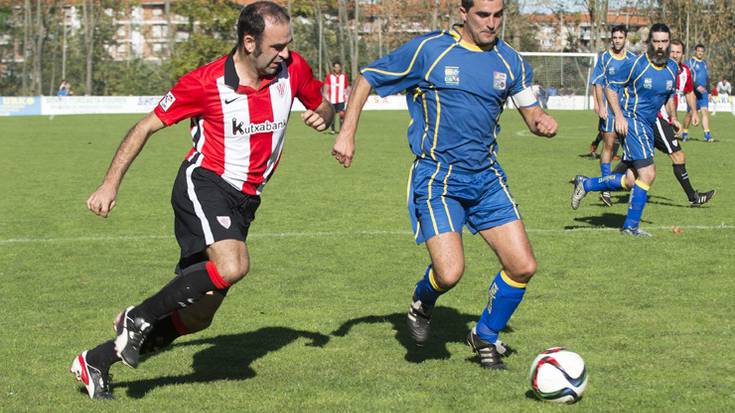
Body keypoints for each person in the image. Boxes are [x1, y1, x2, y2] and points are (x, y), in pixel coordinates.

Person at [70, 1, 334, 400]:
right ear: (249, 42)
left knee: (197, 315)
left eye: (288, 45)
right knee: (234, 265)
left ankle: (96, 361)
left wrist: (326, 116)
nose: (285, 55)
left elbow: (324, 105)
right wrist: (110, 184)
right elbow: (144, 127)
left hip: (246, 200)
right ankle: (135, 317)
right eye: (276, 47)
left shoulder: (292, 69)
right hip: (205, 183)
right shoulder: (205, 83)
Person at [332, 0, 557, 370]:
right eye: (483, 15)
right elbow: (368, 76)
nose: (492, 23)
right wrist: (347, 133)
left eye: (498, 15)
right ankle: (423, 300)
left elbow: (530, 111)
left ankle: (484, 335)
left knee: (523, 266)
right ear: (463, 12)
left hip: (486, 178)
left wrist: (541, 122)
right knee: (450, 273)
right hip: (438, 178)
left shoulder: (510, 60)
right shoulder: (430, 51)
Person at [570, 23, 679, 237]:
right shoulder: (636, 64)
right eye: (655, 41)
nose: (659, 46)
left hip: (649, 124)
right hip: (632, 120)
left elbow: (667, 97)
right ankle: (630, 227)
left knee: (631, 180)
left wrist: (673, 117)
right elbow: (611, 87)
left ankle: (586, 184)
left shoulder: (672, 68)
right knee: (648, 173)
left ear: (669, 43)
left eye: (663, 42)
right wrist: (618, 116)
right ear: (649, 43)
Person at [589, 25, 637, 206]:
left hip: (626, 110)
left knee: (630, 149)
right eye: (614, 37)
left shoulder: (633, 59)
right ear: (611, 39)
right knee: (609, 145)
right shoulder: (605, 58)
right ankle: (606, 188)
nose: (617, 40)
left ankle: (625, 182)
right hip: (609, 110)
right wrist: (600, 105)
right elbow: (598, 83)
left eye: (620, 37)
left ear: (626, 38)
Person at [682, 44, 713, 142]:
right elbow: (687, 76)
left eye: (702, 51)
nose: (700, 53)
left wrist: (709, 92)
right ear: (695, 51)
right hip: (693, 92)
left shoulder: (704, 63)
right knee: (690, 113)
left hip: (703, 93)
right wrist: (696, 86)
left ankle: (707, 134)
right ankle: (685, 132)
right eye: (698, 51)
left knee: (705, 112)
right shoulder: (690, 62)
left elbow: (707, 78)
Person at [323, 60, 350, 134]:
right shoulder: (329, 76)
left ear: (340, 68)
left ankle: (341, 129)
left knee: (342, 114)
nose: (337, 69)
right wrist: (325, 96)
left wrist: (349, 95)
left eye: (338, 67)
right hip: (332, 100)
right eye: (336, 67)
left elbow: (346, 87)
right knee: (333, 115)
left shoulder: (344, 76)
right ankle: (333, 130)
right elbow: (326, 86)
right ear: (333, 68)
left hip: (341, 99)